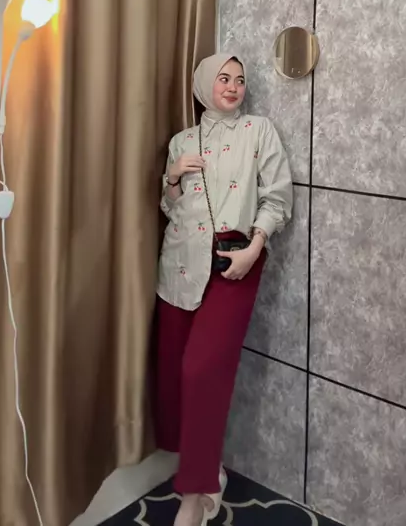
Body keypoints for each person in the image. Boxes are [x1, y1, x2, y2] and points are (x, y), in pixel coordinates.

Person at [154, 53, 293, 526]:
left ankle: (194, 495)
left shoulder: (259, 131)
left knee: (201, 370)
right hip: (179, 265)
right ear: (203, 86)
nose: (233, 87)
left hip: (235, 263)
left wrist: (255, 247)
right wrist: (173, 177)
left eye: (239, 79)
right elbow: (171, 208)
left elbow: (278, 196)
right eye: (223, 79)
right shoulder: (182, 140)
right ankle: (208, 468)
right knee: (174, 373)